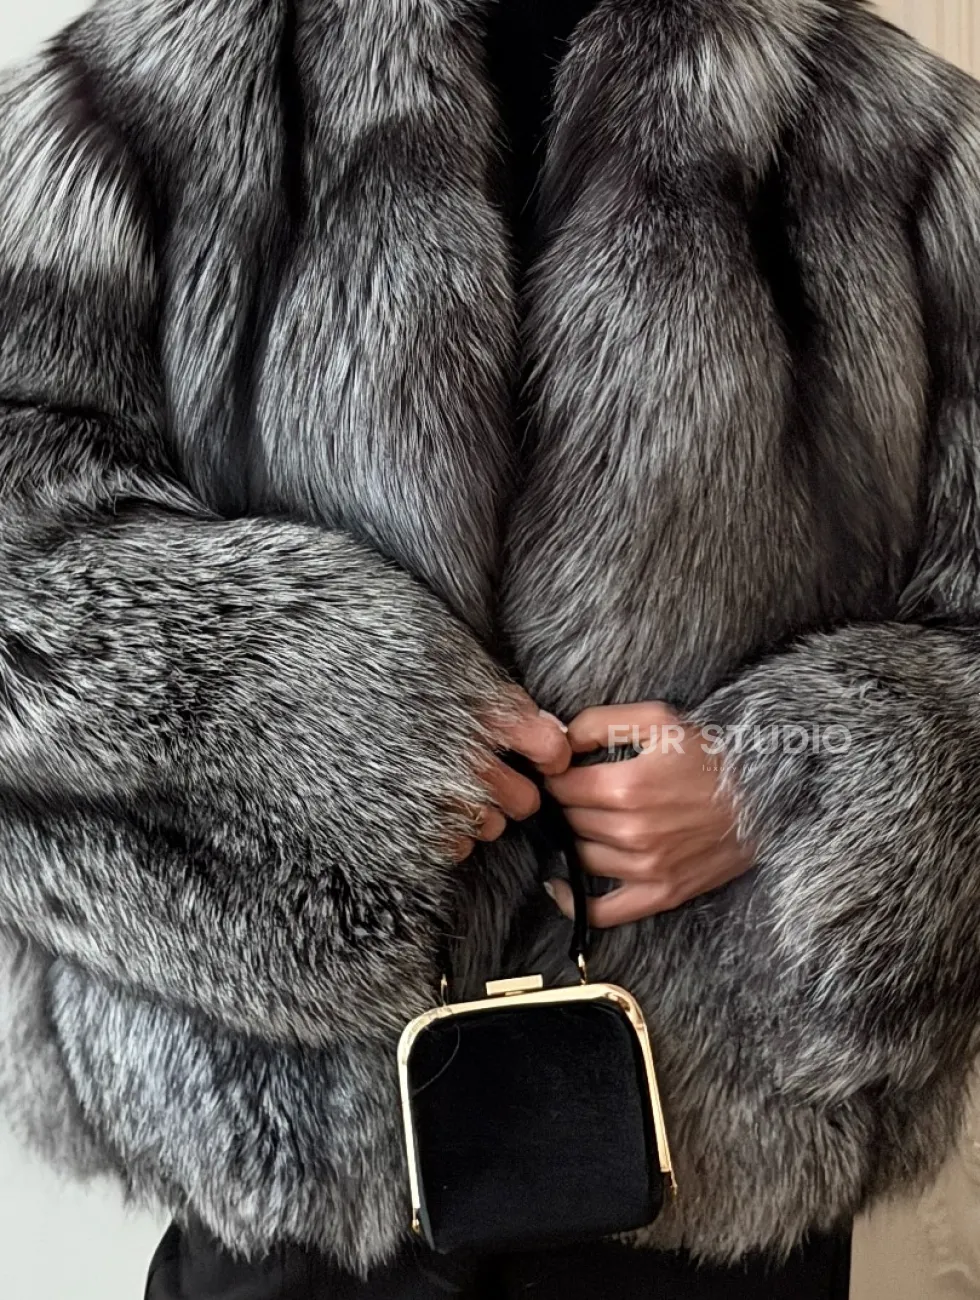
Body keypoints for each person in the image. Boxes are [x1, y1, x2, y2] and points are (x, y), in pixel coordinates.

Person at [1, 0, 979, 1294]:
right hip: (290, 1144)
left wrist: (794, 786)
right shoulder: (131, 108)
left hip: (719, 1153)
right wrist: (314, 706)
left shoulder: (904, 146)